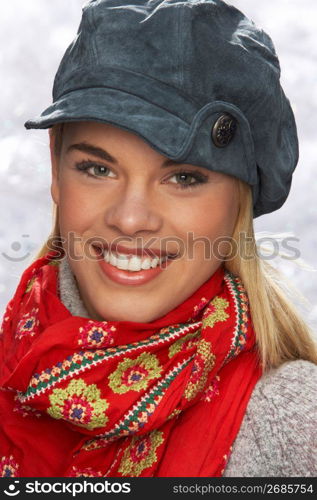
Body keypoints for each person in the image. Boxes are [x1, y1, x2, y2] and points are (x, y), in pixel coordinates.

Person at [0, 0, 316, 478]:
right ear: (56, 169)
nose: (130, 219)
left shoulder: (293, 421)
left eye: (185, 177)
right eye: (97, 168)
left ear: (240, 203)